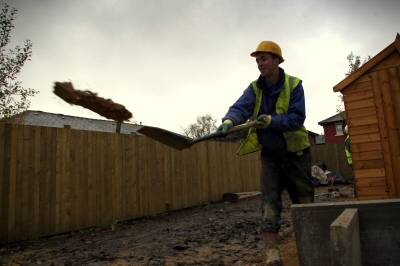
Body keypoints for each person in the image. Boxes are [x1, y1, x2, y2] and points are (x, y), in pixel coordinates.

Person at [216, 40, 314, 266]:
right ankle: (272, 253)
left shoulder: (294, 85)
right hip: (271, 156)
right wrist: (230, 120)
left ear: (277, 60)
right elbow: (241, 107)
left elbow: (297, 118)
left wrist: (272, 120)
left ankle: (311, 244)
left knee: (305, 202)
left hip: (296, 154)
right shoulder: (255, 88)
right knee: (269, 203)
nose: (260, 64)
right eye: (258, 60)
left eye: (264, 59)